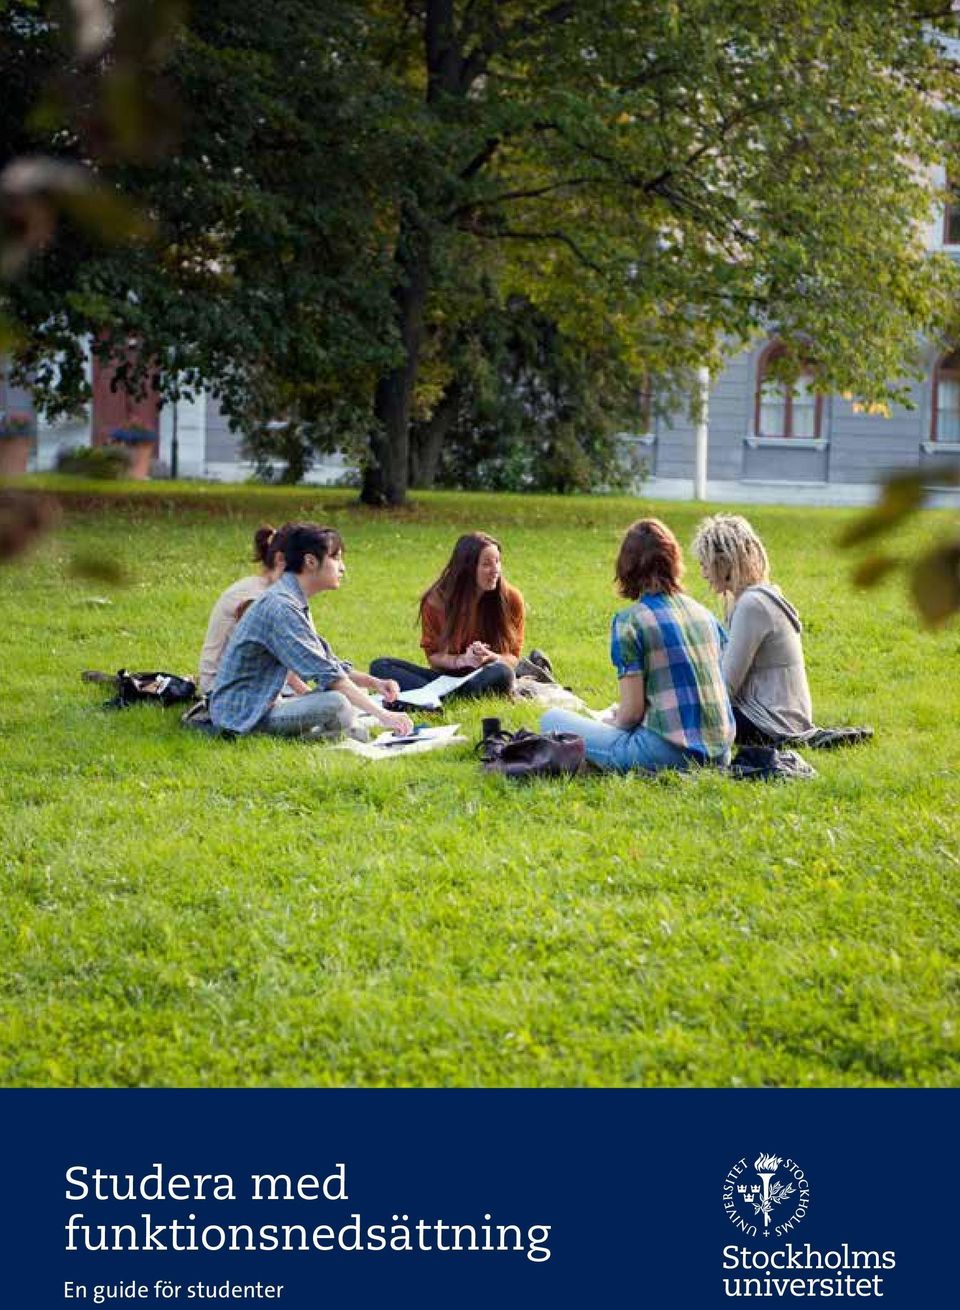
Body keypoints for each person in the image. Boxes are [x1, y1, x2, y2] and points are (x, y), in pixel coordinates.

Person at [540, 519, 735, 772]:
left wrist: (611, 723)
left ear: (627, 566)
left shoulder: (631, 622)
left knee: (550, 719)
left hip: (667, 755)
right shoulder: (705, 615)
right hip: (720, 754)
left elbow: (631, 714)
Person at [209, 523, 414, 739]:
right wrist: (385, 716)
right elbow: (327, 675)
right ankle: (329, 736)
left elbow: (327, 663)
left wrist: (375, 683)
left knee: (349, 695)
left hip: (262, 704)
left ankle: (334, 734)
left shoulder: (291, 598)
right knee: (337, 702)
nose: (342, 568)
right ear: (310, 561)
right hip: (243, 717)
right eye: (336, 558)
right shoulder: (281, 607)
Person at [691, 513, 816, 745]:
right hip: (779, 718)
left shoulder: (752, 605)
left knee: (676, 716)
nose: (703, 573)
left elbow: (726, 687)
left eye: (704, 564)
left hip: (770, 723)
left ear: (725, 562)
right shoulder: (747, 599)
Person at [369, 531, 524, 701]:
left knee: (502, 672)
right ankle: (453, 696)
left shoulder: (511, 598)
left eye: (498, 562)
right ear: (467, 568)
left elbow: (513, 659)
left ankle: (440, 697)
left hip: (484, 675)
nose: (496, 570)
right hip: (444, 680)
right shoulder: (436, 602)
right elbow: (434, 658)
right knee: (380, 666)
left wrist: (492, 657)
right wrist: (463, 660)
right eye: (486, 564)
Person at [197, 523, 310, 697]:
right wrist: (311, 695)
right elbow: (286, 664)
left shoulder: (279, 592)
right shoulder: (254, 597)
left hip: (260, 684)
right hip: (228, 692)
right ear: (281, 561)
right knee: (332, 704)